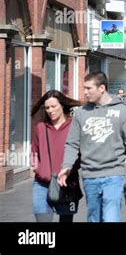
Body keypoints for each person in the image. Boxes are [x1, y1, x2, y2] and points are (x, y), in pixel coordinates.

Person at [58, 71, 126, 222]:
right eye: (84, 88)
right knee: (94, 218)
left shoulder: (122, 111)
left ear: (102, 88)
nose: (85, 92)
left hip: (115, 173)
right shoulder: (81, 113)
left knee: (110, 217)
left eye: (88, 88)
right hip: (90, 175)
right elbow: (72, 143)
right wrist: (66, 166)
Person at [30, 90, 82, 222]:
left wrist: (70, 169)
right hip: (42, 184)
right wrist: (38, 170)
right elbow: (34, 153)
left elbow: (81, 154)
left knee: (66, 221)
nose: (50, 110)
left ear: (62, 105)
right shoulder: (41, 128)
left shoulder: (74, 126)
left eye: (54, 106)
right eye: (47, 107)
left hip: (68, 184)